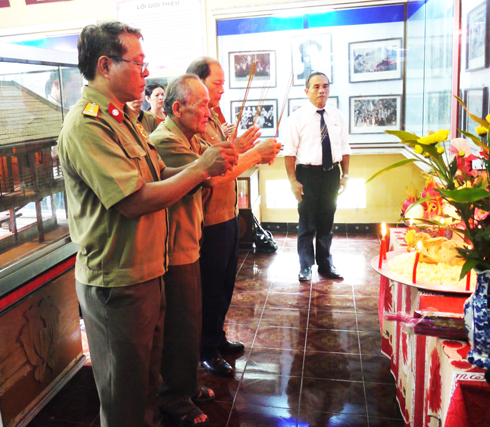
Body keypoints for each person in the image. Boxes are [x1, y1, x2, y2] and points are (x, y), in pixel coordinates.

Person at [57, 21, 237, 427]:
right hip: (117, 279)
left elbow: (159, 182)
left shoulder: (126, 121)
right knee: (125, 401)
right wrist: (202, 169)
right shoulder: (88, 124)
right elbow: (134, 200)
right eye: (137, 63)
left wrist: (205, 169)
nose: (144, 71)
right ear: (105, 65)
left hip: (148, 270)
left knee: (145, 392)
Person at [186, 57, 281, 377]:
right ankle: (206, 348)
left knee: (225, 284)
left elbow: (229, 158)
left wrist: (244, 148)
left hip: (226, 214)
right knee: (210, 287)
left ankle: (217, 336)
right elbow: (215, 174)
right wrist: (254, 153)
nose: (223, 90)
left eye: (224, 84)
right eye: (217, 83)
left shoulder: (214, 116)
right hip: (207, 219)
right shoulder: (194, 122)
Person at [283, 72, 351, 282]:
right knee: (307, 223)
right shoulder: (297, 118)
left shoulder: (337, 116)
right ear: (307, 91)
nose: (322, 90)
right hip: (307, 176)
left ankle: (325, 264)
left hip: (331, 175)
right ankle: (305, 266)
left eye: (325, 86)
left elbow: (345, 148)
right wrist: (293, 182)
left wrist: (345, 175)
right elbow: (289, 153)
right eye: (316, 87)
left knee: (326, 222)